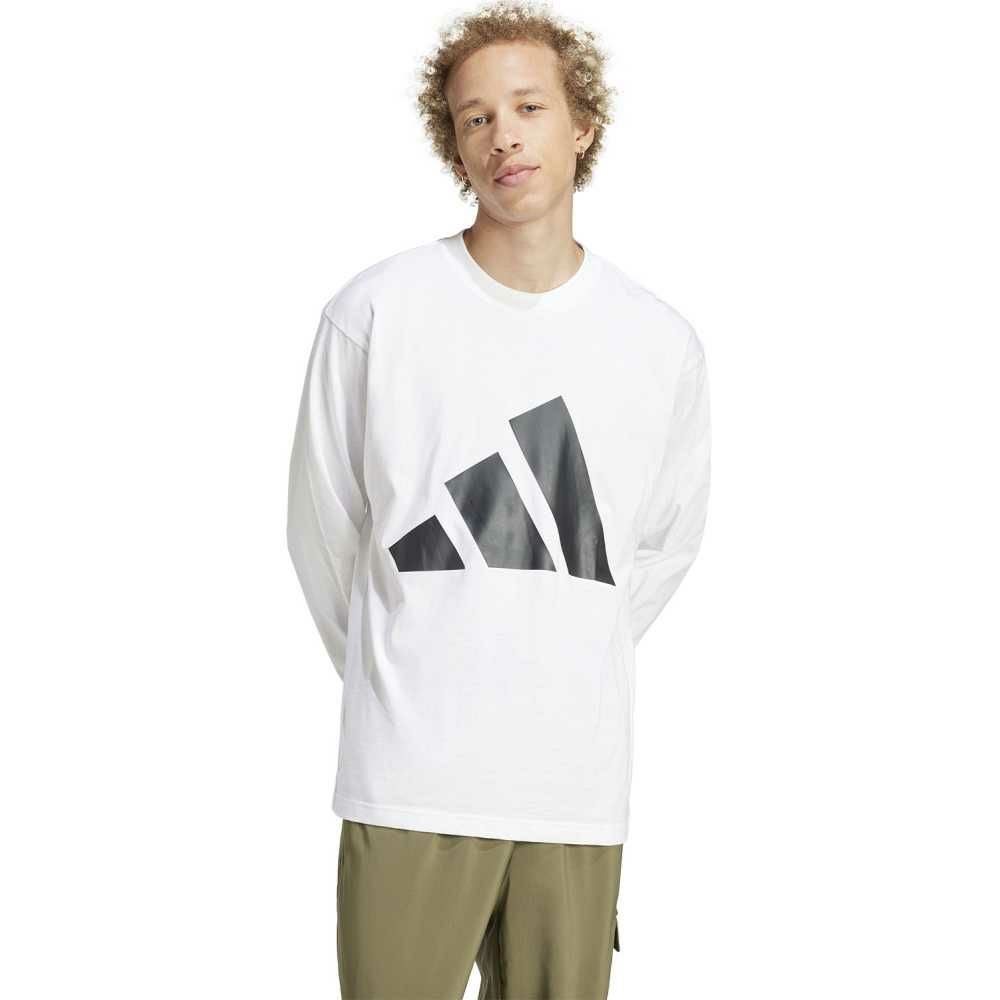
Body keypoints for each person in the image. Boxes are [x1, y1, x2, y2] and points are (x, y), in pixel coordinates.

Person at [286, 3, 712, 997]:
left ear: (582, 124)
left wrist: (556, 643)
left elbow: (660, 547)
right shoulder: (376, 313)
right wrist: (410, 661)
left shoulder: (659, 343)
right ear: (454, 144)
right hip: (408, 784)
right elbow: (322, 533)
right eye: (474, 118)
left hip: (572, 789)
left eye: (528, 107)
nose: (502, 137)